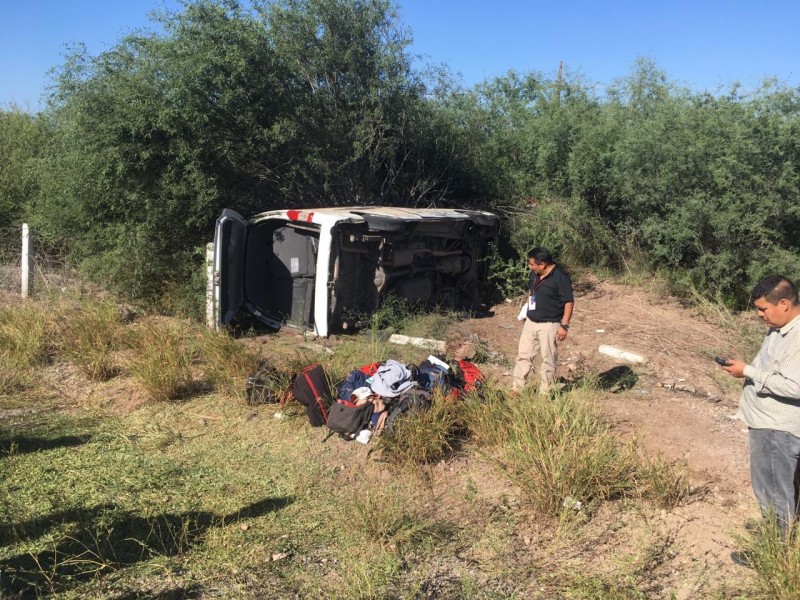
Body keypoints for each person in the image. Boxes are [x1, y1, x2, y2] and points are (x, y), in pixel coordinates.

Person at [720, 275, 800, 542]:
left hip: (778, 427)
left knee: (773, 489)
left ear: (785, 303)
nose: (759, 314)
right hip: (768, 422)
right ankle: (783, 531)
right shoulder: (780, 328)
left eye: (764, 309)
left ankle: (774, 548)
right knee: (782, 488)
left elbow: (796, 387)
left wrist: (749, 371)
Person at [512, 247, 574, 394]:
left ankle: (545, 392)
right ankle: (517, 388)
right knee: (523, 356)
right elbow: (531, 292)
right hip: (531, 322)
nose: (530, 267)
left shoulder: (560, 278)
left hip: (549, 325)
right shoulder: (535, 275)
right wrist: (526, 311)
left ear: (543, 264)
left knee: (548, 359)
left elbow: (569, 302)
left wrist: (564, 326)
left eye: (532, 264)